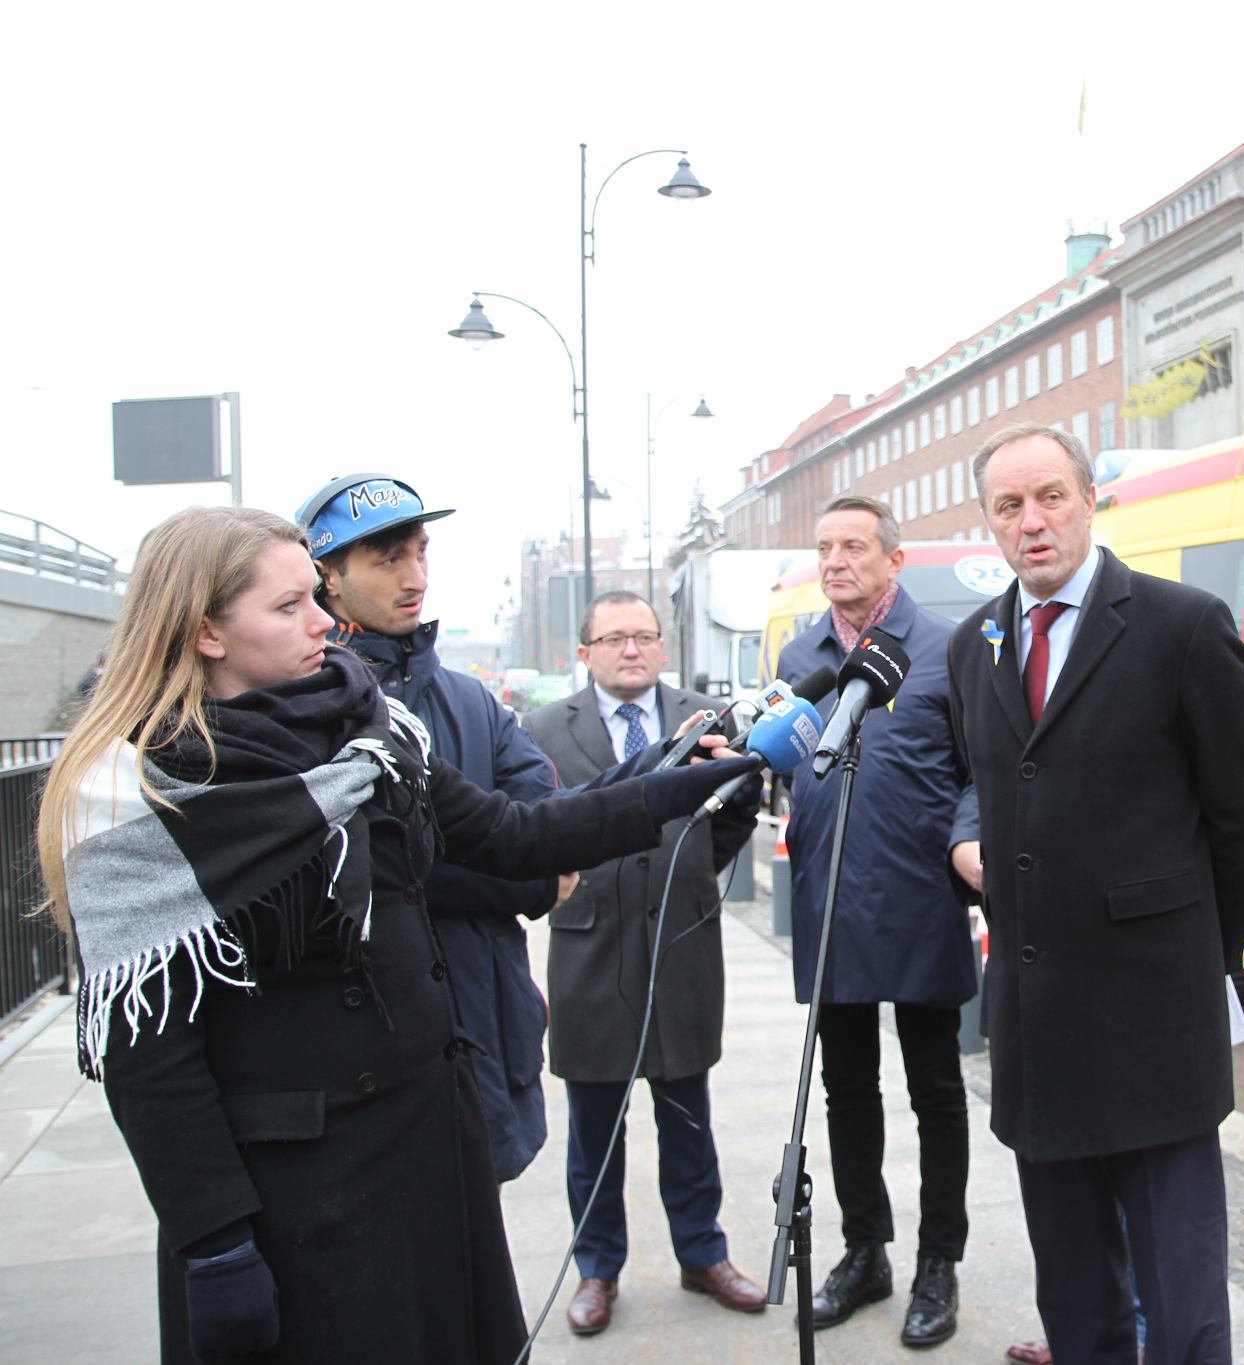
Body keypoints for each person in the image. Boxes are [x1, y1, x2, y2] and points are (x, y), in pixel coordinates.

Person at [34, 506, 754, 1364]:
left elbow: (513, 834)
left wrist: (675, 779)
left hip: (427, 1149)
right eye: (290, 606)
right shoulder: (139, 799)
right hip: (296, 1200)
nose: (324, 622)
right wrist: (214, 1240)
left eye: (316, 596)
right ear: (206, 633)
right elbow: (151, 1063)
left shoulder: (366, 728)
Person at [946, 425, 1244, 1365]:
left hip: (1152, 1024)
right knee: (1075, 1297)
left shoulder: (1182, 625)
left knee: (1180, 1302)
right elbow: (984, 783)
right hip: (1036, 1025)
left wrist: (1192, 961)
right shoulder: (975, 648)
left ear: (1091, 498)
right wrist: (962, 847)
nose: (1033, 522)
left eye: (1050, 496)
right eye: (1009, 506)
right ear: (989, 522)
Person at [296, 473, 560, 1183]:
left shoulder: (473, 701)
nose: (414, 577)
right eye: (387, 559)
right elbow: (364, 875)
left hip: (484, 1020)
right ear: (326, 574)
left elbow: (542, 845)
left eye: (420, 552)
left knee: (480, 1266)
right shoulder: (302, 708)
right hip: (367, 1049)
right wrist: (499, 868)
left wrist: (499, 867)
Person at [524, 591, 767, 1333]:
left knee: (688, 1115)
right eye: (614, 637)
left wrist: (691, 871)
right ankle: (597, 1267)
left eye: (643, 636)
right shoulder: (540, 730)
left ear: (662, 647)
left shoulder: (706, 719)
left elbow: (738, 809)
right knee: (595, 1124)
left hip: (683, 943)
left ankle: (703, 1253)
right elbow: (532, 827)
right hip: (590, 945)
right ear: (587, 650)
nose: (630, 649)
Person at [775, 494, 976, 1348]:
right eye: (825, 547)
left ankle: (940, 1259)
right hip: (831, 902)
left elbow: (981, 773)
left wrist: (967, 847)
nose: (835, 561)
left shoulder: (946, 650)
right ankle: (867, 1249)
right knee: (847, 1088)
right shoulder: (801, 652)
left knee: (936, 1090)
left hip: (922, 899)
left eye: (853, 546)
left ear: (895, 560)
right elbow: (788, 762)